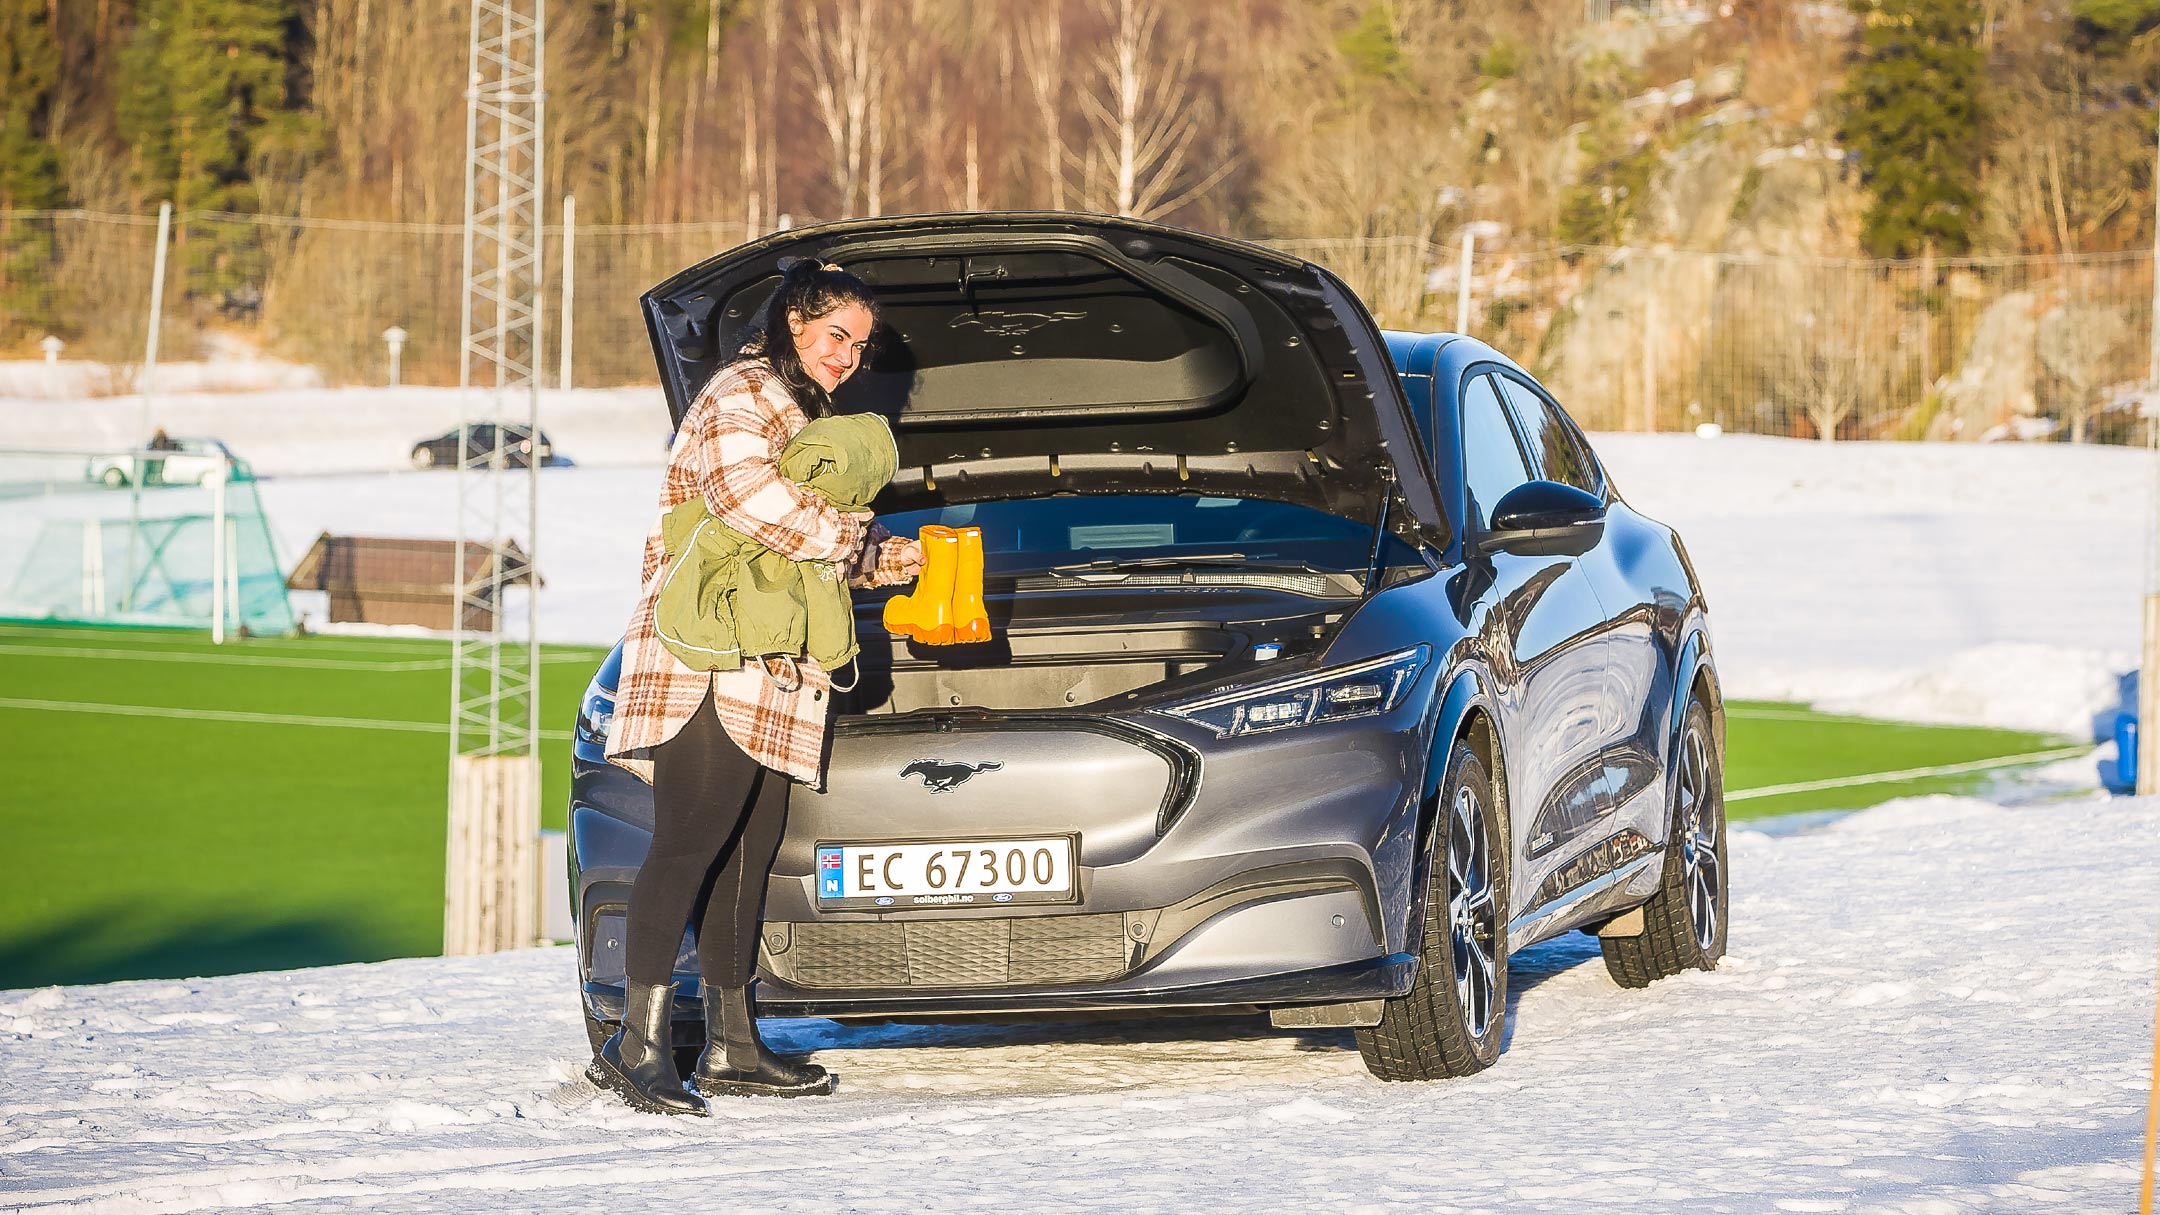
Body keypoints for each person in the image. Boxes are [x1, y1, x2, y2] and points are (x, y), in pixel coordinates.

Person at [592, 258, 923, 1117]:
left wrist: (898, 559)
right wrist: (854, 544)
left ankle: (737, 1042)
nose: (849, 355)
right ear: (792, 324)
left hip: (772, 664)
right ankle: (637, 1044)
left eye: (861, 344)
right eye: (836, 335)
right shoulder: (742, 389)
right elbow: (750, 501)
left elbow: (809, 543)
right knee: (690, 840)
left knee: (751, 845)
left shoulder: (805, 410)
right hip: (707, 655)